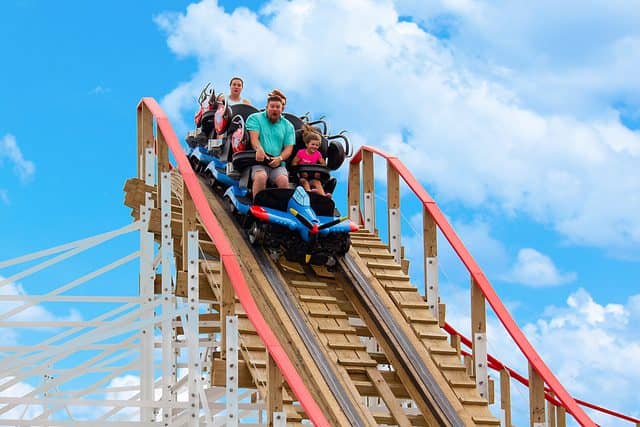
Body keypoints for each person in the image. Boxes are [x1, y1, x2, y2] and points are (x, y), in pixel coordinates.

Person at [246, 89, 294, 195]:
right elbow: (254, 139)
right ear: (267, 107)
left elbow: (288, 148)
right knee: (261, 177)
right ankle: (256, 205)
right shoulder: (255, 118)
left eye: (278, 107)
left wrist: (280, 158)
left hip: (277, 164)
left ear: (282, 109)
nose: (275, 109)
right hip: (259, 162)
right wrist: (259, 149)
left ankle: (280, 208)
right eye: (272, 106)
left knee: (283, 180)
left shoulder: (288, 126)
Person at [291, 126, 326, 196]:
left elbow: (323, 164)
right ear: (307, 144)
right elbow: (294, 162)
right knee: (304, 182)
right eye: (312, 144)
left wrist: (318, 172)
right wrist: (300, 171)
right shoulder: (301, 153)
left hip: (312, 176)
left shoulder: (318, 154)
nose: (314, 147)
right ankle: (309, 193)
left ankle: (323, 196)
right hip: (302, 177)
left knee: (317, 182)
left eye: (317, 145)